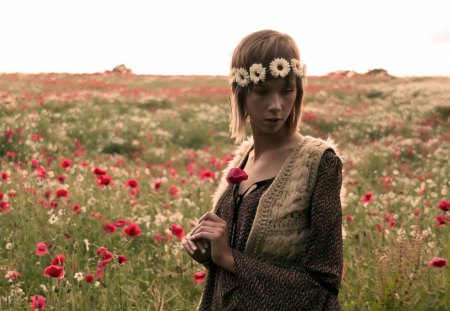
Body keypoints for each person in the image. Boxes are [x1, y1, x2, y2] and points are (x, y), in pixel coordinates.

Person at [181, 29, 343, 310]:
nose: (276, 106)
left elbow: (323, 286)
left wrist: (229, 259)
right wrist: (209, 254)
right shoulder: (242, 159)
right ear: (241, 91)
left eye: (287, 90)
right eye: (263, 91)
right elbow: (237, 261)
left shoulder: (319, 163)